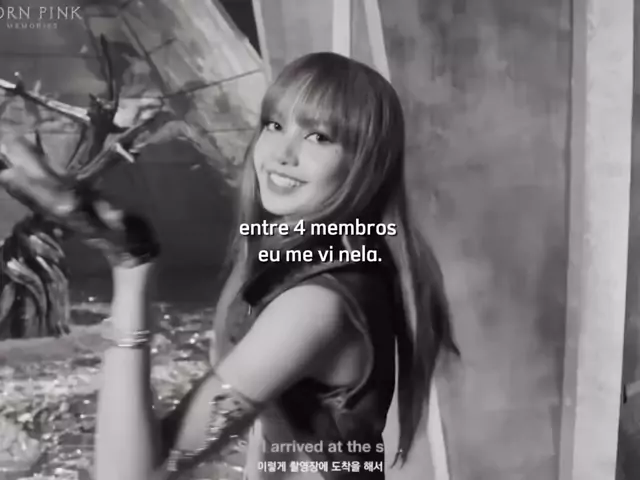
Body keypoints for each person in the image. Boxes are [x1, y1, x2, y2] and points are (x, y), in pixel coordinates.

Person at [0, 52, 459, 480]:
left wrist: (130, 264)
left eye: (318, 136)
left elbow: (128, 474)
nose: (282, 153)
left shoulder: (314, 307)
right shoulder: (309, 259)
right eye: (275, 125)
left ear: (365, 163)